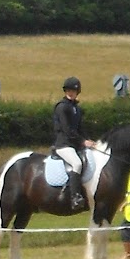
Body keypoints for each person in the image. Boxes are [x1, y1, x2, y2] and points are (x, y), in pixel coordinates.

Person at [52, 77, 95, 212]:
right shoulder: (62, 107)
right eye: (69, 90)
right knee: (77, 163)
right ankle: (75, 197)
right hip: (63, 145)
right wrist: (83, 141)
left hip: (74, 144)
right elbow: (67, 130)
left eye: (73, 91)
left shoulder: (76, 108)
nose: (71, 93)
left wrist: (89, 141)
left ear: (77, 92)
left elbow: (80, 129)